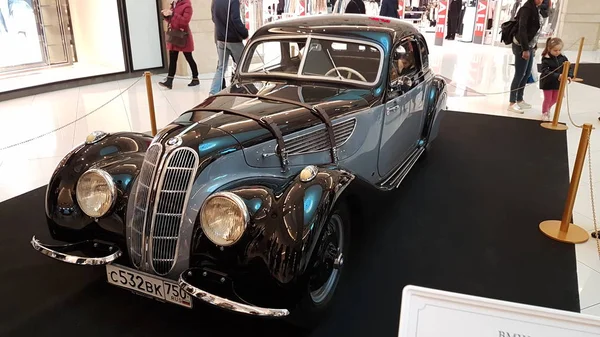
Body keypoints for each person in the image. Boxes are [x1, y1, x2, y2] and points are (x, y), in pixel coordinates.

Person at [508, 0, 543, 114]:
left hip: (530, 45)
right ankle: (512, 102)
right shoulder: (527, 8)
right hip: (522, 45)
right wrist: (525, 48)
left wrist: (533, 45)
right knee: (519, 73)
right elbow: (522, 29)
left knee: (527, 73)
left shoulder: (536, 8)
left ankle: (520, 98)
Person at [210, 0, 249, 96]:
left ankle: (213, 93)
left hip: (220, 38)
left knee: (221, 68)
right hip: (233, 39)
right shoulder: (233, 1)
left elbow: (214, 18)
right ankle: (245, 89)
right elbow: (235, 19)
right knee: (243, 65)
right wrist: (244, 32)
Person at [159, 0, 199, 90]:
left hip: (183, 36)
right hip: (174, 35)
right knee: (173, 59)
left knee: (189, 58)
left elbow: (185, 21)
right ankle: (169, 81)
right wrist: (166, 15)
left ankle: (195, 78)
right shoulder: (173, 4)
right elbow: (171, 20)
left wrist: (172, 14)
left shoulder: (187, 5)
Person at [539, 37, 572, 121]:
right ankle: (544, 112)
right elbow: (545, 71)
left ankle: (548, 108)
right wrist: (558, 76)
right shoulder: (545, 58)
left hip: (558, 83)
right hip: (547, 82)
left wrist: (569, 75)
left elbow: (568, 67)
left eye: (559, 50)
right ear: (549, 49)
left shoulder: (563, 57)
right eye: (555, 50)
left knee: (556, 98)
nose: (558, 52)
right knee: (548, 99)